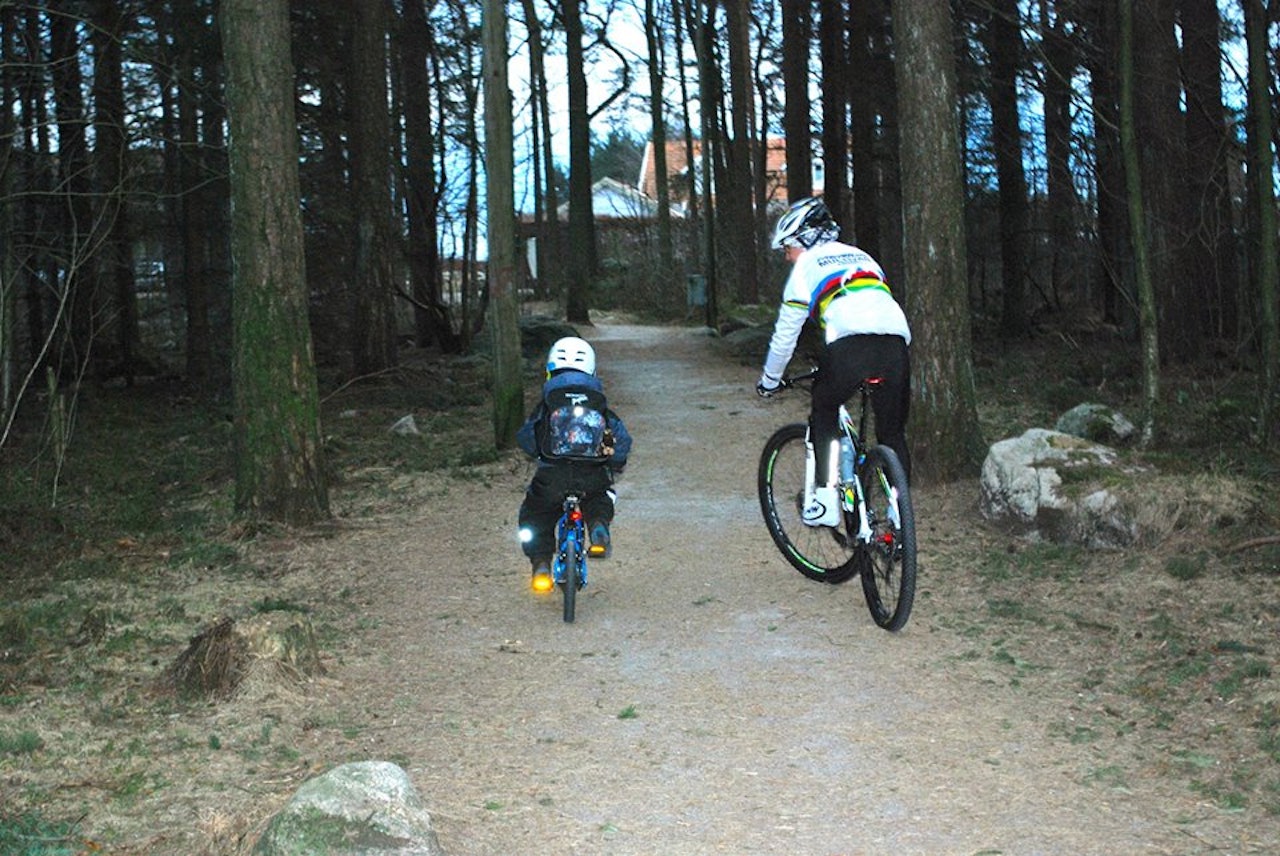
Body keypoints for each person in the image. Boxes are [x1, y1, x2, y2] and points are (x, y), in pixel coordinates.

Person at [756, 196, 912, 527]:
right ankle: (901, 518)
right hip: (896, 344)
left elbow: (785, 336)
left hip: (850, 345)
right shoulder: (863, 256)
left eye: (787, 248)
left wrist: (769, 380)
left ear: (803, 240)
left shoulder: (804, 269)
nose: (787, 257)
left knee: (824, 408)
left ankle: (825, 499)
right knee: (892, 433)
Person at [517, 336, 632, 592]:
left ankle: (541, 565)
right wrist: (616, 462)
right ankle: (598, 528)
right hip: (592, 474)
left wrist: (537, 453)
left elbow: (527, 436)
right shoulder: (597, 402)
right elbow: (620, 439)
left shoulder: (548, 403)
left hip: (552, 476)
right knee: (599, 497)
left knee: (536, 514)